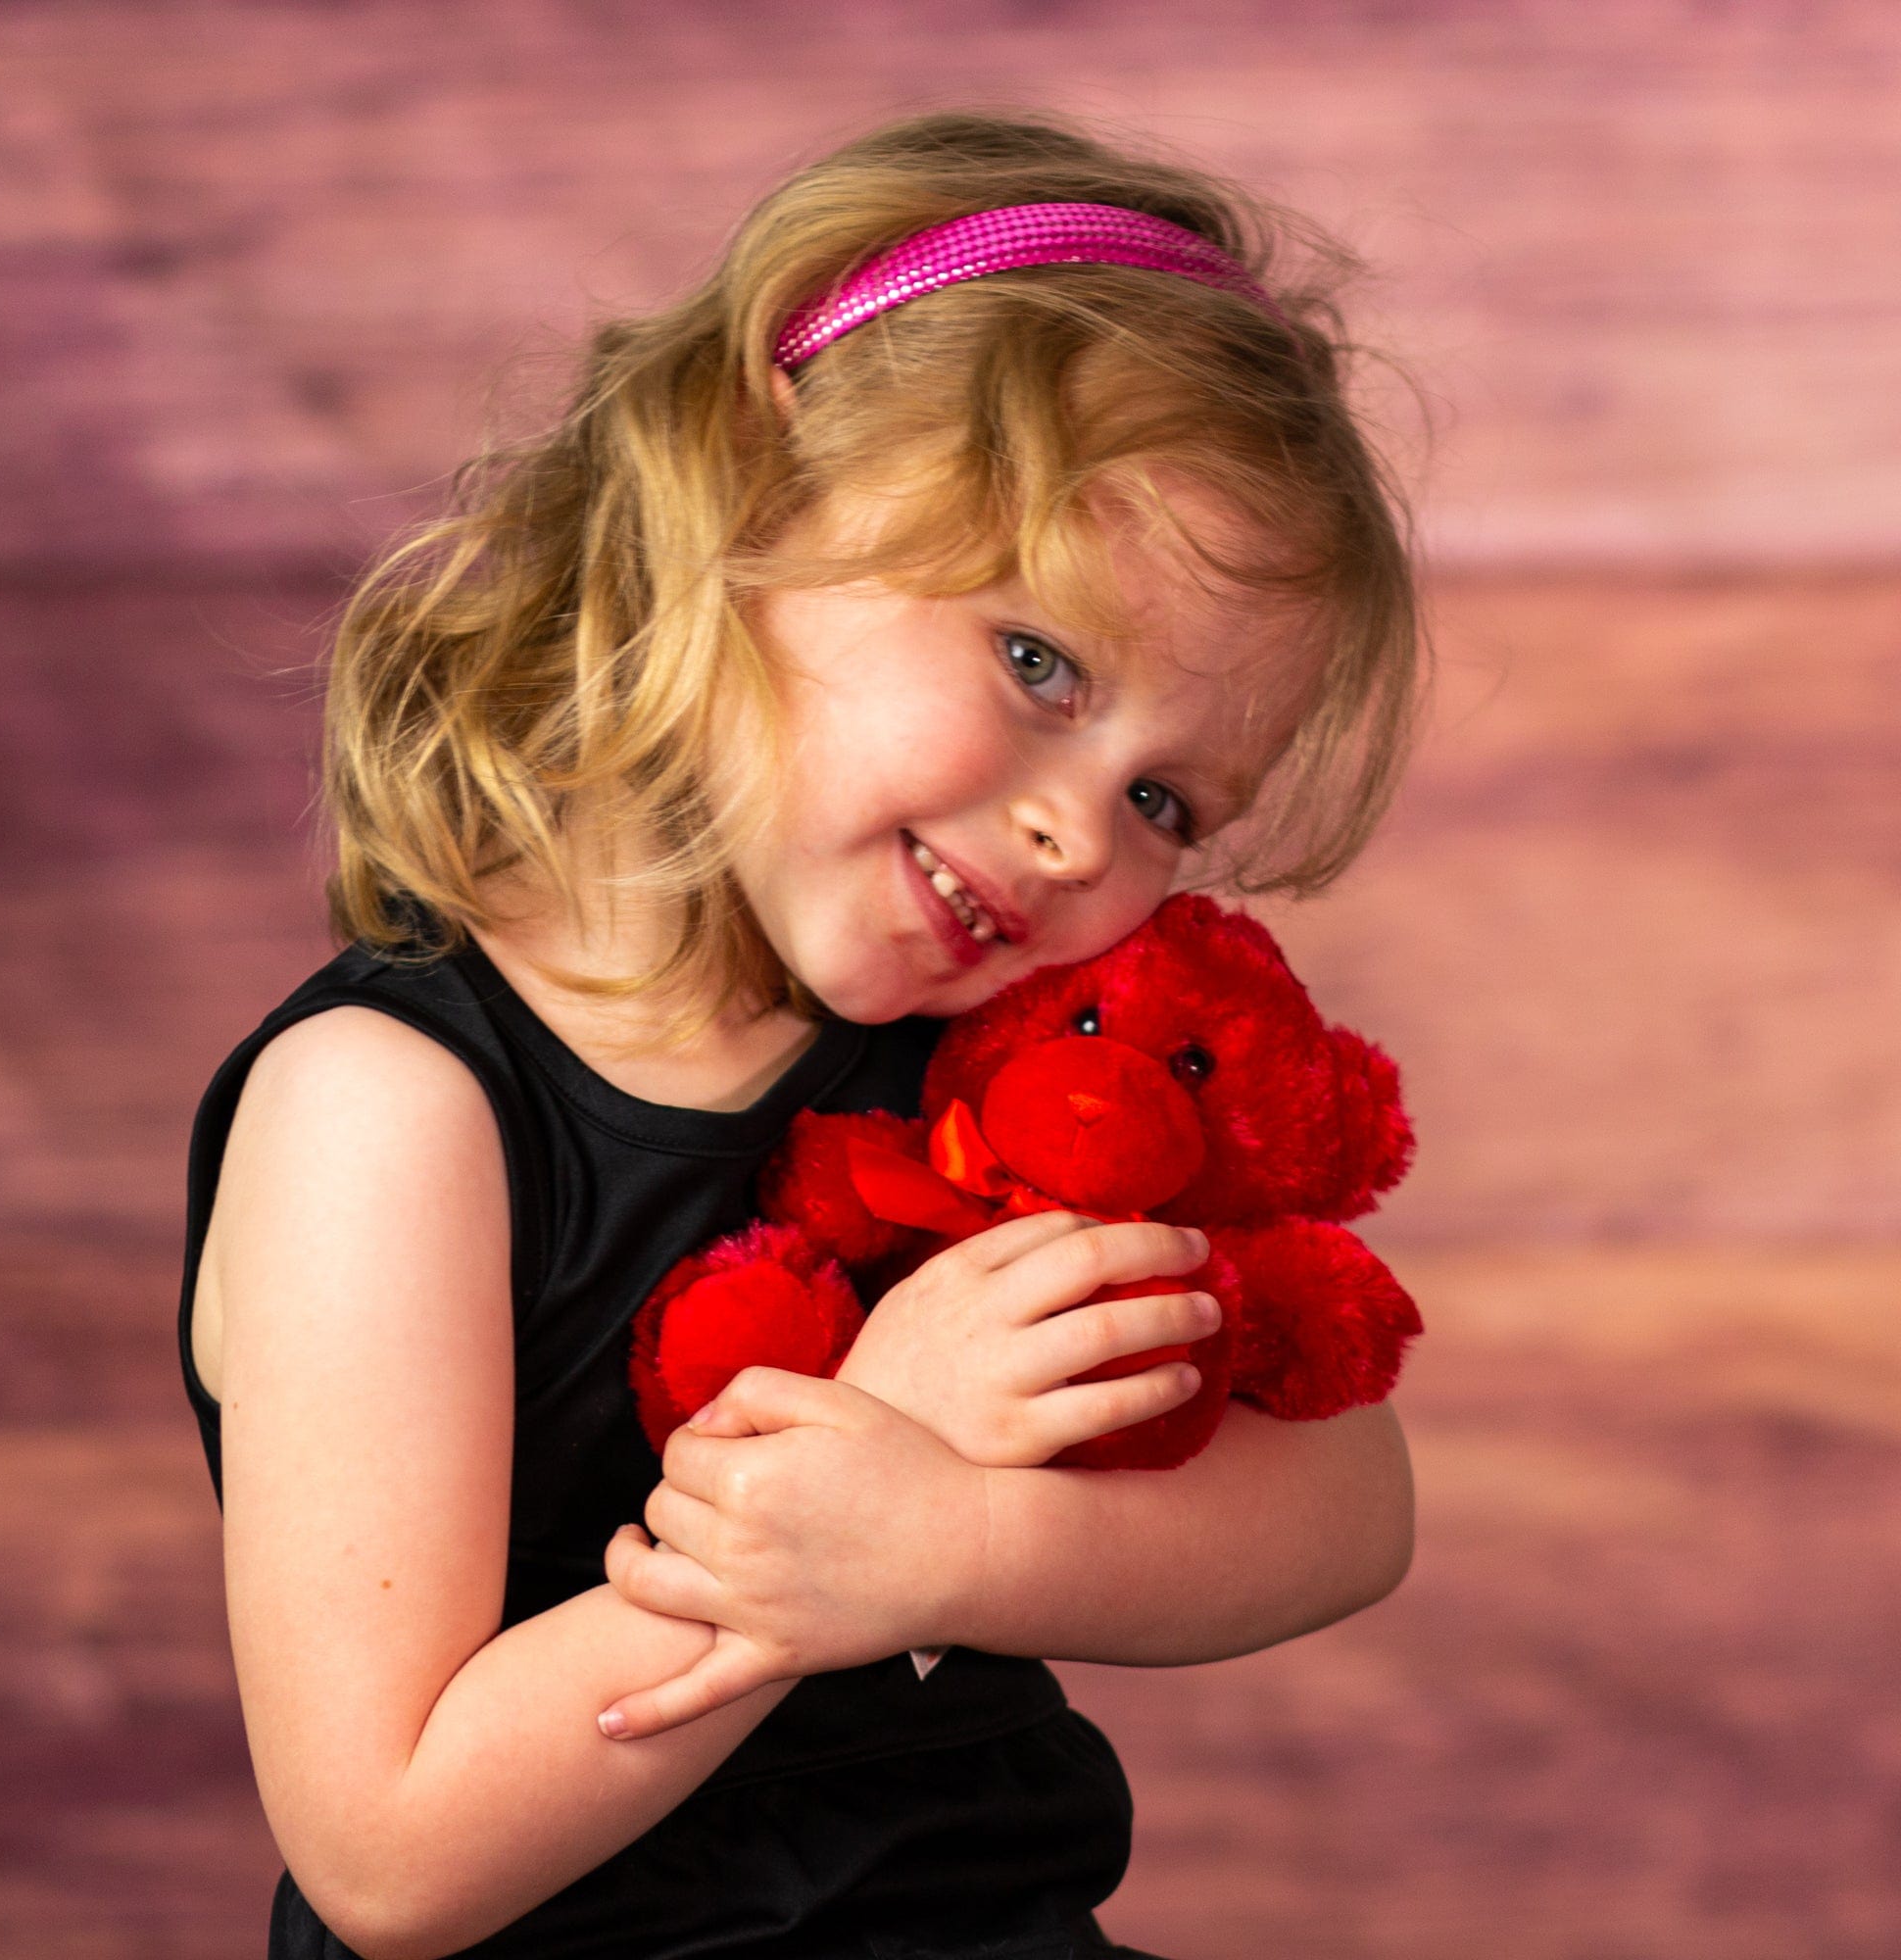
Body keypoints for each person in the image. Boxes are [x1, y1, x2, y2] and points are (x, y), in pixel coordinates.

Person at [176, 109, 1425, 1960]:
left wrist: (956, 1545)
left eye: (1170, 802)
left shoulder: (993, 1083)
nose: (1083, 834)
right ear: (752, 500)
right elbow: (390, 1854)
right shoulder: (387, 1116)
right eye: (1038, 662)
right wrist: (847, 1491)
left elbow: (1349, 1504)